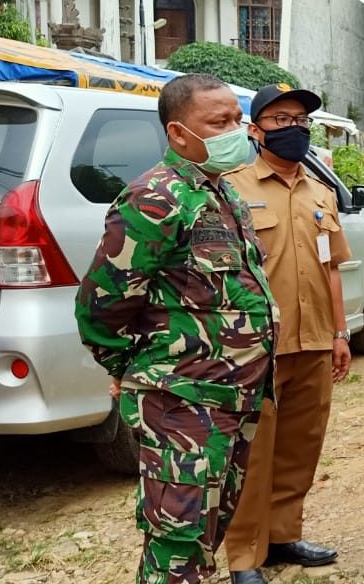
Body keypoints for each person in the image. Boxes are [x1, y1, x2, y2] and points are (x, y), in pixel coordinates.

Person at [75, 74, 277, 584]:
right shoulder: (155, 197)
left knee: (208, 532)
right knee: (178, 545)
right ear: (179, 133)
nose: (239, 130)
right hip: (181, 401)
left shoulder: (220, 193)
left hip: (232, 397)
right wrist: (133, 368)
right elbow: (102, 302)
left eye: (238, 118)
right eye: (220, 122)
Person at [223, 84, 352, 583]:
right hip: (257, 347)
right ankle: (244, 556)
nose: (293, 128)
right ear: (255, 131)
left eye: (300, 119)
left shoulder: (321, 192)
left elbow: (333, 268)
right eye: (280, 120)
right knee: (253, 454)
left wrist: (340, 332)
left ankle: (282, 535)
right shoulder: (232, 189)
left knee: (301, 446)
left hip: (315, 340)